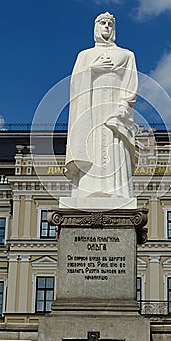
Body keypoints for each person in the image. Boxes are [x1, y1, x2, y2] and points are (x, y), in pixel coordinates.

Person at [64, 12, 138, 201]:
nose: (106, 26)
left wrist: (123, 106)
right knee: (92, 142)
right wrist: (92, 70)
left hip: (114, 105)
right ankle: (87, 190)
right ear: (96, 27)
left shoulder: (126, 55)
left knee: (114, 142)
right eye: (102, 23)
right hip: (91, 105)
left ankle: (116, 192)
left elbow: (131, 82)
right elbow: (74, 84)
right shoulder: (85, 55)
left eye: (110, 23)